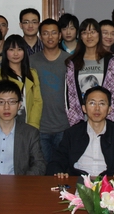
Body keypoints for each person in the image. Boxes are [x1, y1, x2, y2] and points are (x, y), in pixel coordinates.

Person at [47, 86, 114, 178]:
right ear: (84, 108)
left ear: (109, 109)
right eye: (92, 103)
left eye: (102, 104)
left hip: (109, 182)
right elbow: (57, 161)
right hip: (78, 181)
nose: (97, 108)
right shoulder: (72, 133)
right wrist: (58, 172)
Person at [29, 19, 71, 163]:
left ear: (60, 35)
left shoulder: (69, 60)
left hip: (64, 126)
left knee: (62, 168)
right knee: (43, 169)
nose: (50, 37)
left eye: (53, 33)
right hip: (39, 127)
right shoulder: (31, 61)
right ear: (40, 36)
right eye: (46, 33)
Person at [64, 18, 114, 126]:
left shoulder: (110, 61)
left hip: (105, 121)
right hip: (80, 121)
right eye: (85, 33)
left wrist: (107, 121)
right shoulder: (73, 62)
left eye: (93, 32)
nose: (89, 36)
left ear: (99, 34)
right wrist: (77, 124)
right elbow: (70, 95)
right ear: (80, 36)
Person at [0, 35, 42, 129]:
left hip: (28, 125)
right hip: (6, 125)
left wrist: (33, 125)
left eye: (19, 49)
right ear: (5, 52)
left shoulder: (32, 73)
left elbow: (37, 101)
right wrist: (1, 127)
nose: (16, 53)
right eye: (11, 49)